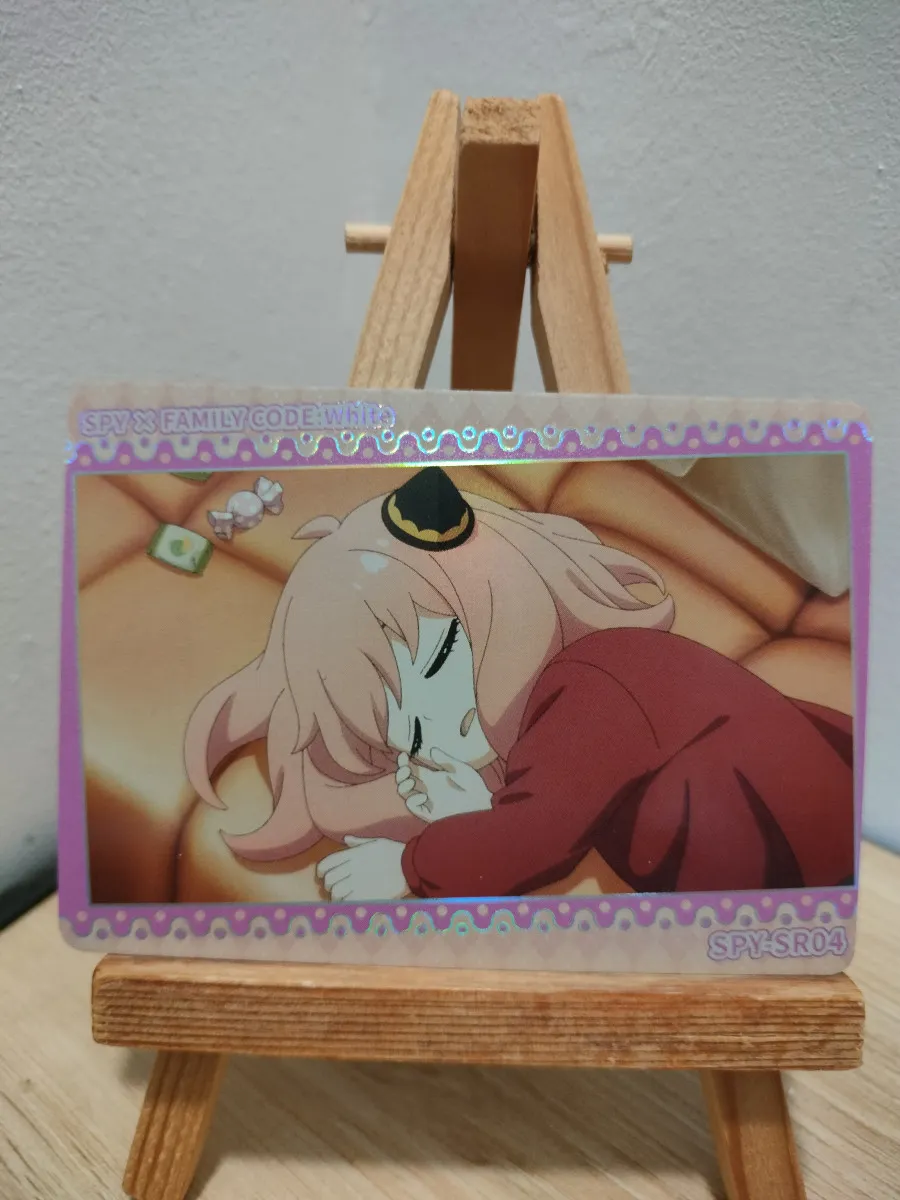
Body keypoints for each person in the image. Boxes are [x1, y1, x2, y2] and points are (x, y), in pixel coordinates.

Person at [184, 467, 853, 902]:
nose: (437, 735)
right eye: (407, 734)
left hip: (806, 870)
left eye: (441, 659)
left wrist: (407, 867)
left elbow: (536, 839)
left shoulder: (594, 683)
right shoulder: (572, 702)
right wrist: (475, 810)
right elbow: (557, 800)